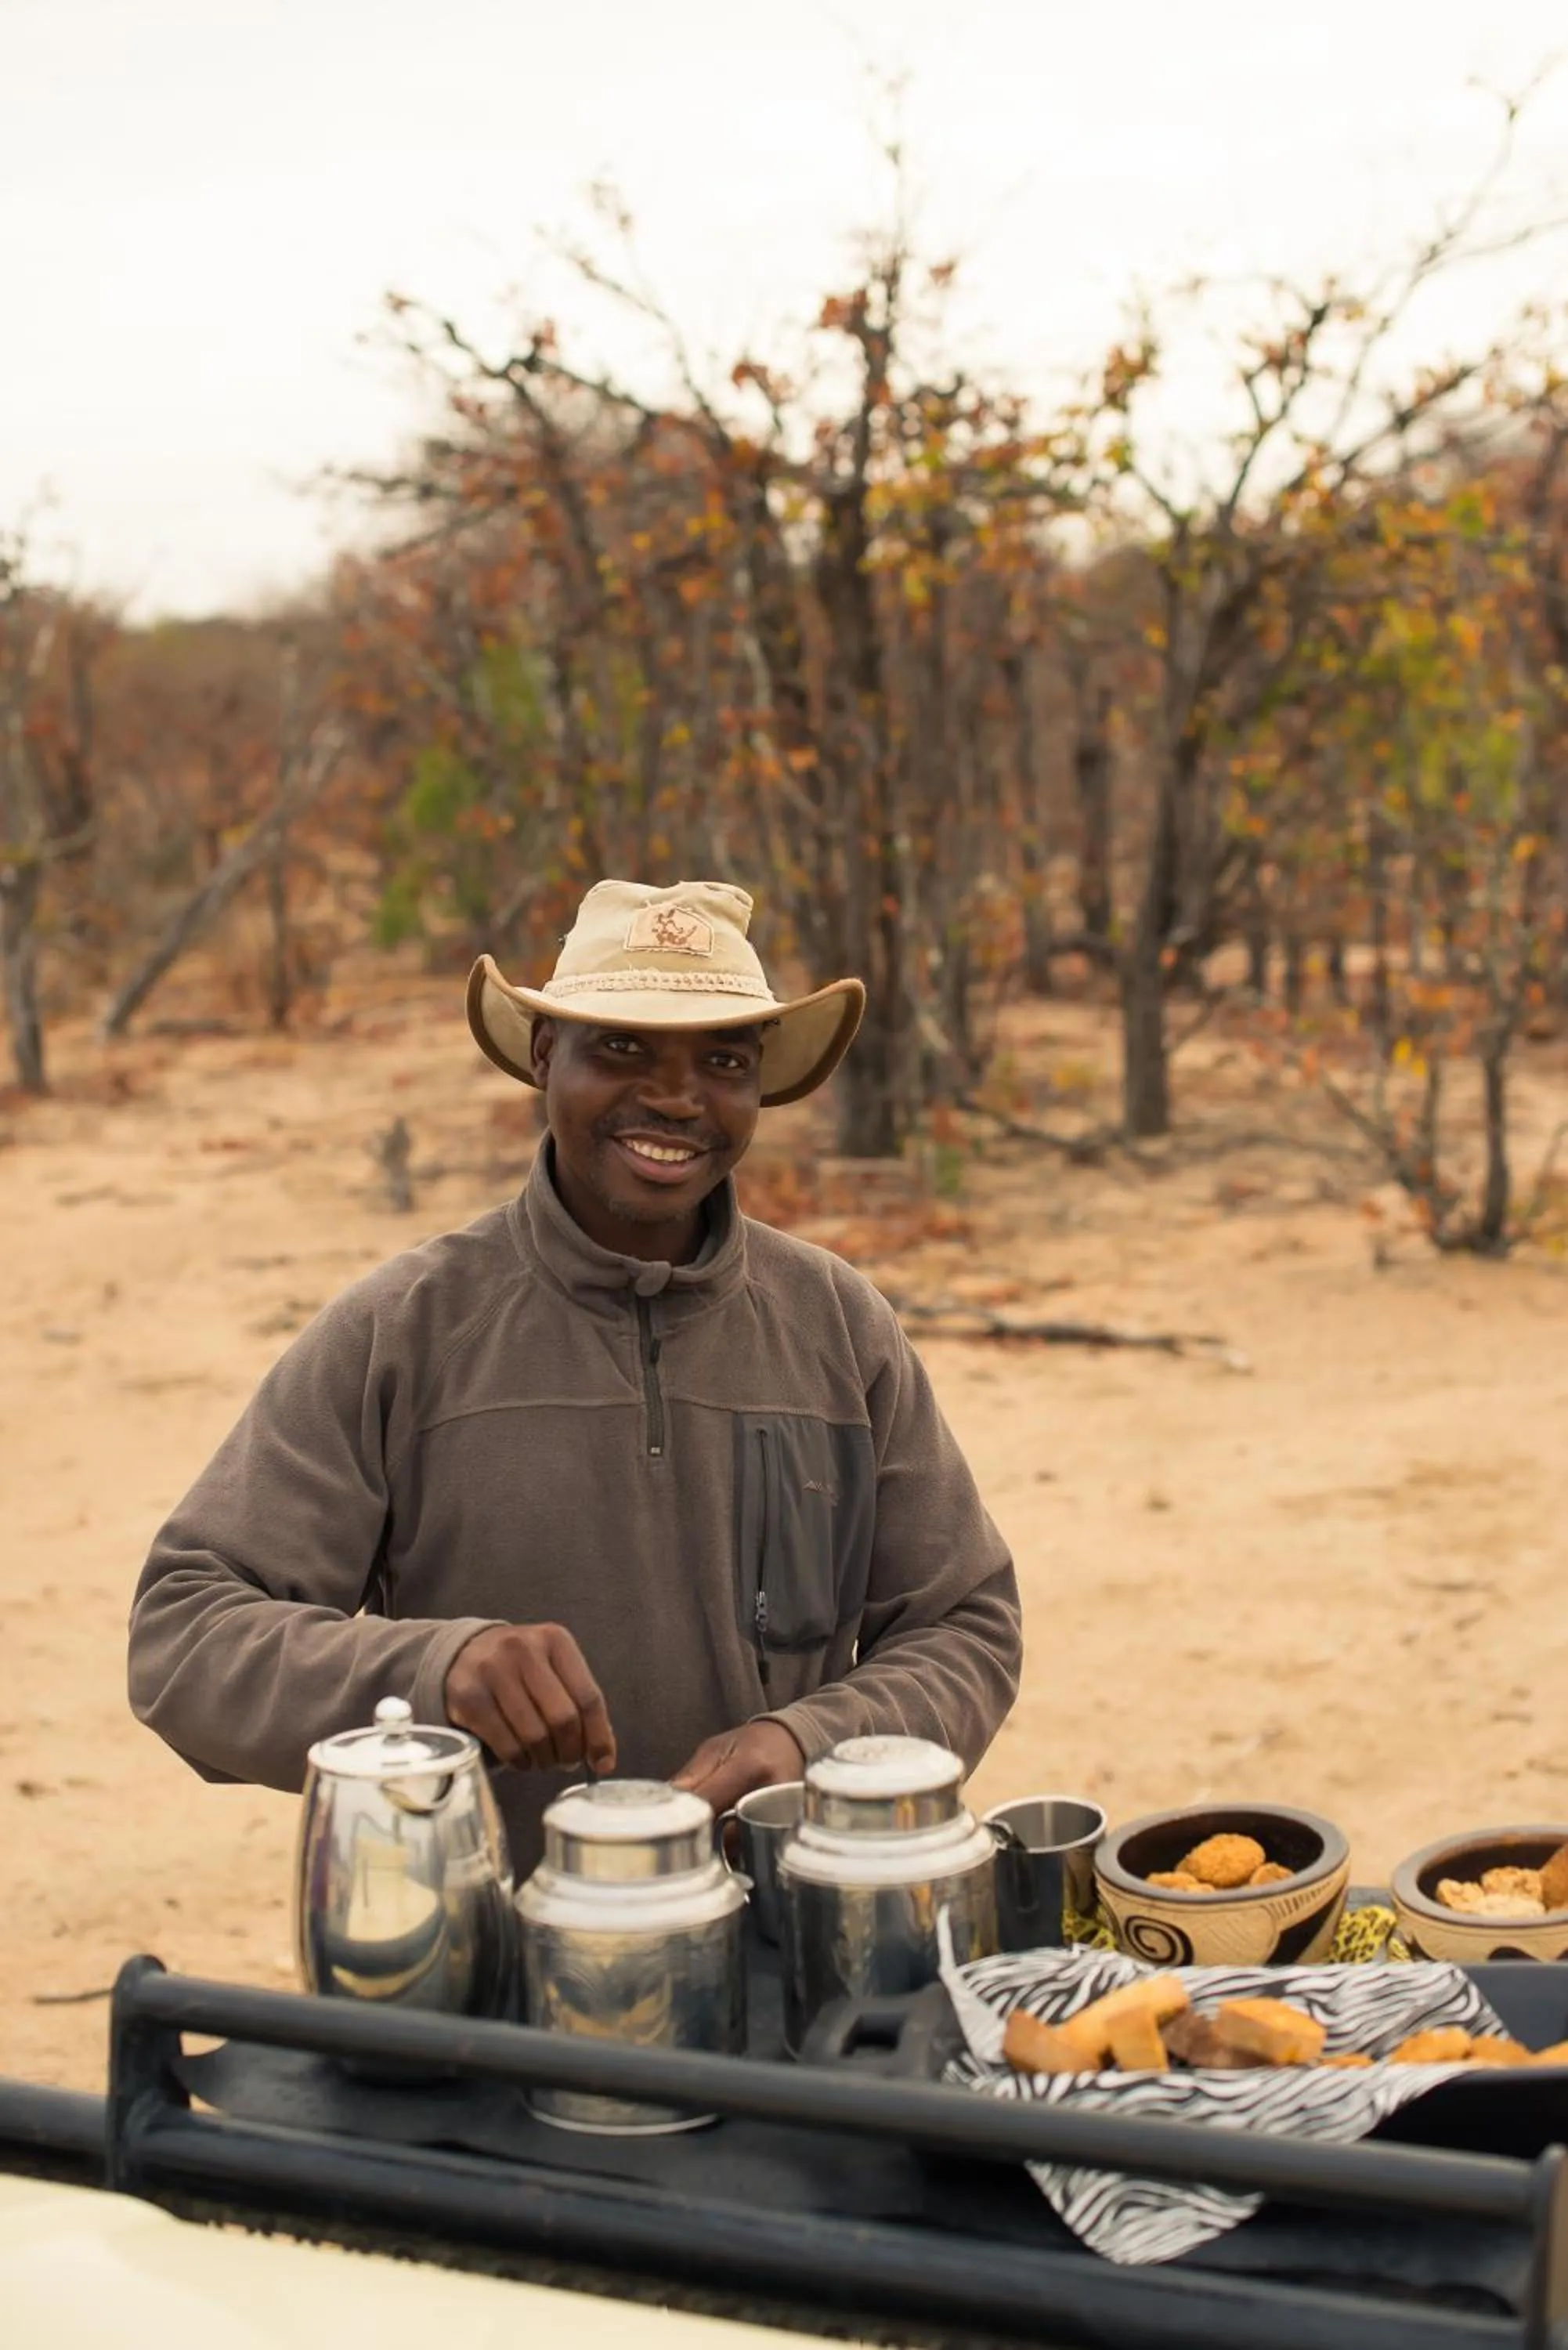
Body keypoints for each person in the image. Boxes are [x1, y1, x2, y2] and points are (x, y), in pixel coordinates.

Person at [128, 879, 1023, 1875]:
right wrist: (434, 1673)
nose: (677, 1098)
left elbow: (965, 1624)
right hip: (481, 1963)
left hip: (791, 1942)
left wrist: (805, 1746)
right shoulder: (405, 1328)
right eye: (622, 1047)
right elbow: (185, 1634)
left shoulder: (837, 1325)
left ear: (758, 1084)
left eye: (721, 1060)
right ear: (546, 1056)